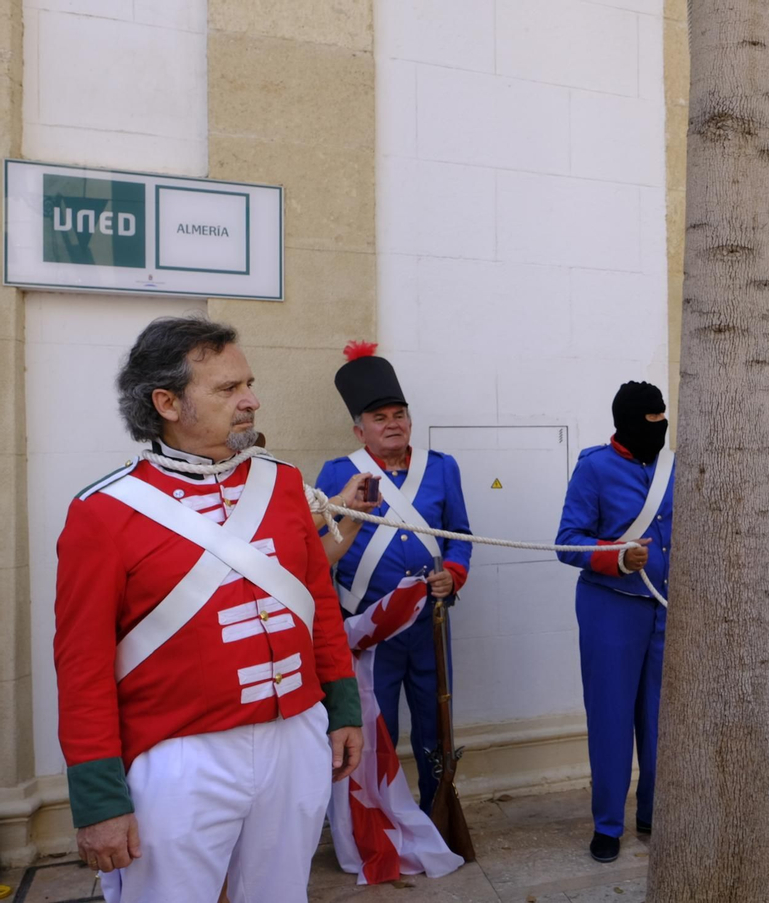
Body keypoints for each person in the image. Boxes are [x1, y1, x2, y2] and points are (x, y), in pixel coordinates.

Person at [55, 316, 362, 902]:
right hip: (179, 755)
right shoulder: (103, 512)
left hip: (295, 735)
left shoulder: (282, 483)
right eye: (227, 389)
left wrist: (341, 706)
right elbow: (82, 667)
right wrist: (98, 799)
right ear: (166, 402)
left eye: (247, 383)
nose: (251, 401)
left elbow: (318, 602)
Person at [315, 342, 473, 816]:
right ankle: (379, 821)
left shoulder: (442, 468)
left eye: (399, 414)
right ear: (359, 429)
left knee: (433, 724)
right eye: (380, 417)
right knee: (376, 726)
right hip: (369, 627)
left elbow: (460, 535)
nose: (393, 424)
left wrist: (454, 574)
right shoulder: (339, 473)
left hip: (429, 624)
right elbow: (320, 544)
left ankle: (437, 811)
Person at [556, 381, 674, 863]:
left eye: (662, 419)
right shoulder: (595, 468)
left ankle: (653, 811)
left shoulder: (672, 466)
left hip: (666, 609)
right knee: (610, 719)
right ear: (626, 421)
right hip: (611, 608)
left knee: (660, 718)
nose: (659, 428)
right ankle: (608, 823)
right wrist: (619, 558)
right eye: (650, 421)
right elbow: (568, 541)